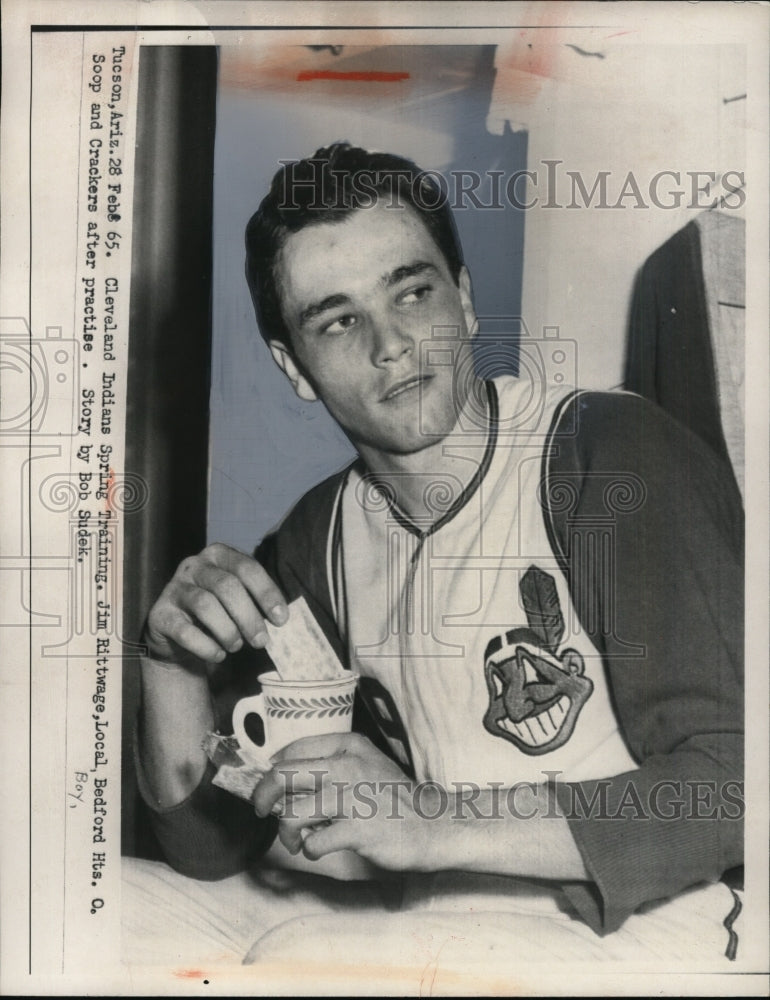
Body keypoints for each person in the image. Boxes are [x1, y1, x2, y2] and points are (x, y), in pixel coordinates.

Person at [128, 143, 744, 974]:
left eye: (411, 292)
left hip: (653, 933)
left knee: (303, 962)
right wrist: (168, 663)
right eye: (338, 319)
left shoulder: (607, 455)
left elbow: (734, 788)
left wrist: (426, 818)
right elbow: (208, 845)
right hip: (438, 926)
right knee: (109, 900)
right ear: (295, 368)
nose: (390, 344)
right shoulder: (320, 538)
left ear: (464, 300)